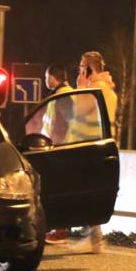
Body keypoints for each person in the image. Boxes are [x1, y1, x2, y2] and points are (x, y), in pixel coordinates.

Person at [67, 51, 117, 254]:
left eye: (81, 67)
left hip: (90, 148)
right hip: (99, 147)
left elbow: (79, 110)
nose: (79, 70)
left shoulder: (96, 89)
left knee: (85, 191)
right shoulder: (108, 90)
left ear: (89, 69)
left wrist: (80, 86)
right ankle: (94, 237)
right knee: (90, 191)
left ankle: (94, 237)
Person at [41, 63, 74, 245]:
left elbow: (68, 121)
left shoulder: (63, 96)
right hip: (57, 146)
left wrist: (57, 144)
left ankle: (60, 230)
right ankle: (58, 229)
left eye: (46, 77)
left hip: (59, 147)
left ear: (53, 77)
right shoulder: (64, 94)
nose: (46, 80)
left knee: (58, 188)